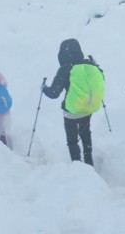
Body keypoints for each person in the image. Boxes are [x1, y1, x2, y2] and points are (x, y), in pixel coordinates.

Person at [42, 38, 103, 166]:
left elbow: (54, 93)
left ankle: (77, 165)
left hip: (71, 111)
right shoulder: (89, 65)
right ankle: (89, 162)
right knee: (85, 133)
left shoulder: (65, 69)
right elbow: (101, 79)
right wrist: (95, 65)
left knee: (72, 140)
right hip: (88, 108)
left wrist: (44, 88)